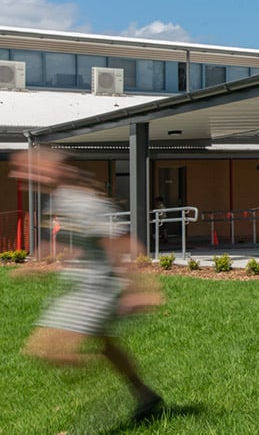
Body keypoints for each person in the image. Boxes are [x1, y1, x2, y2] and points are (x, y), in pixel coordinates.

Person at [9, 148, 164, 423]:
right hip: (83, 283)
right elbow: (67, 237)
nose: (18, 175)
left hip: (100, 286)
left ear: (52, 170)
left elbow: (125, 243)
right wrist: (39, 261)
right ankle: (145, 395)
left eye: (26, 169)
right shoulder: (59, 199)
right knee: (106, 347)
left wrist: (141, 288)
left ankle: (108, 393)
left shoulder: (84, 202)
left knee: (47, 351)